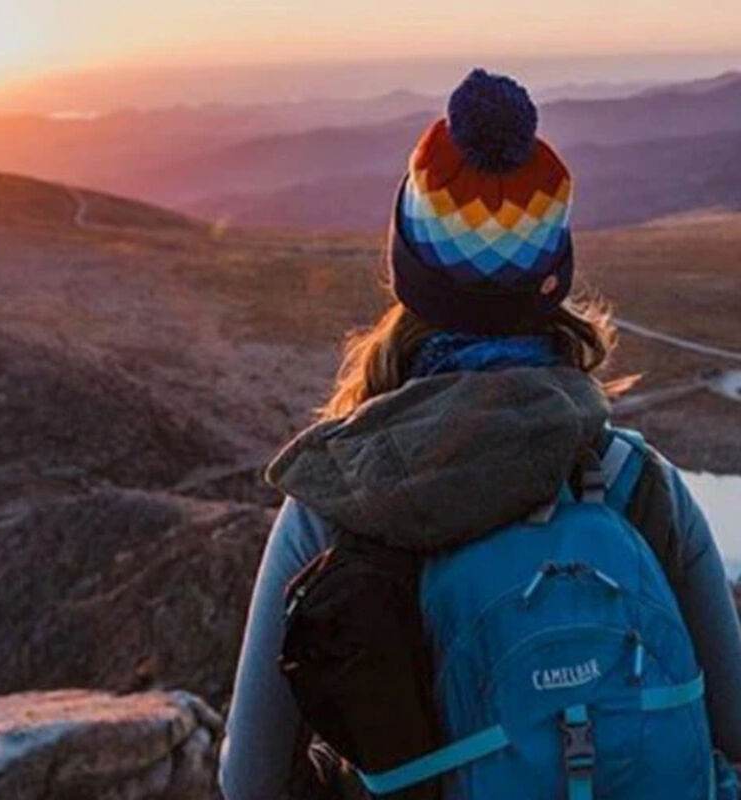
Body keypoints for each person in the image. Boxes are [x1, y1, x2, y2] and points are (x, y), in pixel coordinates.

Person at [218, 68, 741, 800]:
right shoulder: (637, 486)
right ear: (552, 284)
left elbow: (250, 783)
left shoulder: (339, 508)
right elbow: (735, 734)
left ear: (409, 277)